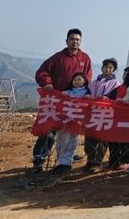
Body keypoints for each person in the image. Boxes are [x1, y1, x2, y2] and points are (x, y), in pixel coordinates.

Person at [33, 28, 93, 172]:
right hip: (57, 101)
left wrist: (84, 94)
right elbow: (42, 72)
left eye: (77, 39)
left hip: (74, 103)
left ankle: (65, 160)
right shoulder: (58, 58)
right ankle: (39, 159)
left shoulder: (85, 58)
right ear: (67, 41)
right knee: (49, 129)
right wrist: (47, 82)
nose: (75, 42)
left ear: (81, 41)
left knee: (70, 131)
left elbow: (88, 79)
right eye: (72, 39)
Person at [84, 58, 122, 172]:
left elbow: (116, 98)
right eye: (106, 67)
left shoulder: (116, 84)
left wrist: (107, 99)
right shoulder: (93, 82)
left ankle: (97, 163)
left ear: (114, 70)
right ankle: (90, 161)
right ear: (102, 68)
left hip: (106, 115)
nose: (108, 70)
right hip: (92, 113)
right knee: (90, 139)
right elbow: (87, 94)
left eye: (111, 68)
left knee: (102, 140)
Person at [50, 72, 89, 175]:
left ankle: (66, 163)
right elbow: (58, 97)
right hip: (64, 119)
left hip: (75, 120)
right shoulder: (68, 92)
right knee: (60, 139)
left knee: (70, 140)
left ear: (84, 81)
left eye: (79, 79)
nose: (77, 82)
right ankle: (60, 161)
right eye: (75, 80)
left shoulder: (86, 92)